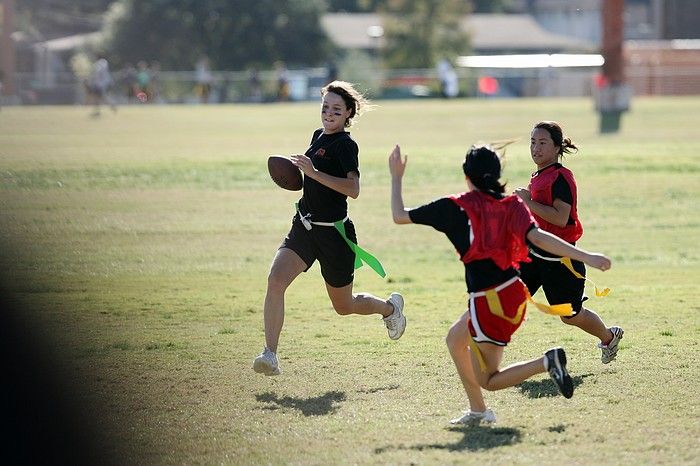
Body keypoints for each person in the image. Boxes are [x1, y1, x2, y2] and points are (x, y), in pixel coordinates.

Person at [389, 143, 612, 425]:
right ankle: (478, 411)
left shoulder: (453, 207)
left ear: (467, 176)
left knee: (490, 380)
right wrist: (585, 256)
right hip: (511, 293)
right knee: (455, 340)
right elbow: (540, 238)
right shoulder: (512, 204)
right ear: (496, 175)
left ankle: (546, 362)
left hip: (490, 303)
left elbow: (399, 215)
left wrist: (396, 177)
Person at [253, 81, 406, 376]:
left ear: (348, 113)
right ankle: (270, 355)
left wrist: (313, 172)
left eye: (336, 109)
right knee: (275, 281)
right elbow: (312, 176)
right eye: (325, 107)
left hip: (335, 234)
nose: (329, 113)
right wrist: (300, 173)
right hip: (305, 227)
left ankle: (390, 309)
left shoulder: (347, 145)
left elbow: (353, 189)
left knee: (344, 305)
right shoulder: (317, 135)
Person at [514, 121, 623, 364]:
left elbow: (560, 219)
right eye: (533, 142)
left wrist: (527, 202)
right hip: (534, 254)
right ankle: (481, 352)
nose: (536, 148)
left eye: (543, 143)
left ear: (556, 147)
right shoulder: (540, 175)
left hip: (561, 259)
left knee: (570, 316)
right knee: (509, 297)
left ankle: (609, 337)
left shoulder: (561, 177)